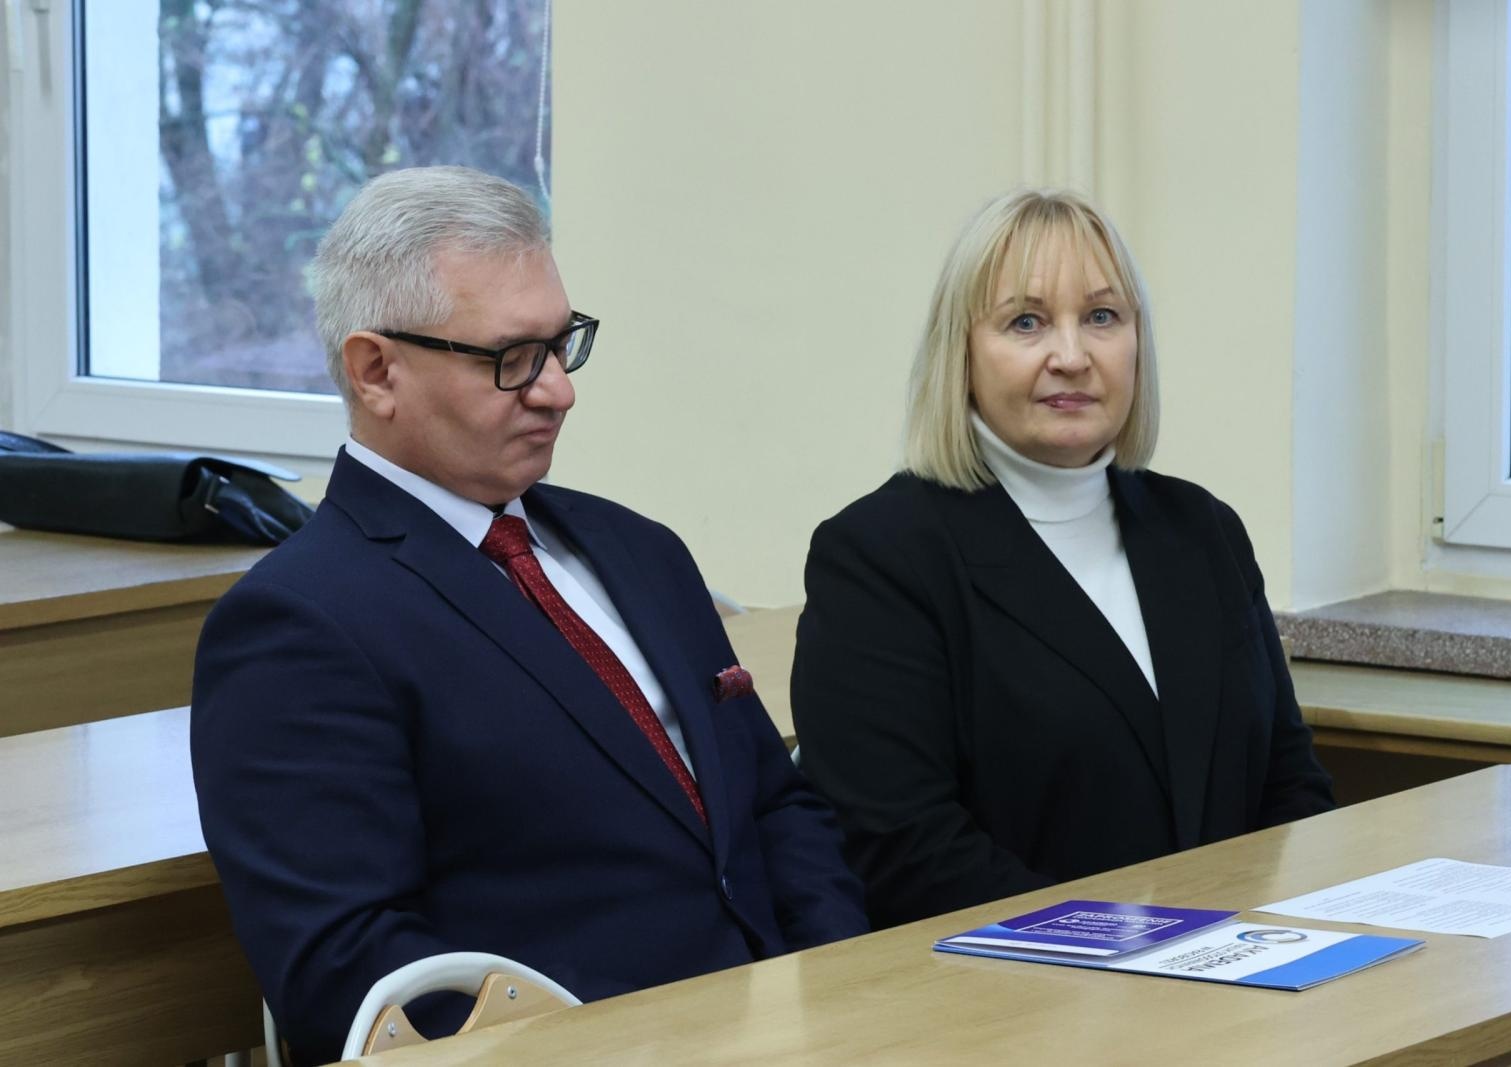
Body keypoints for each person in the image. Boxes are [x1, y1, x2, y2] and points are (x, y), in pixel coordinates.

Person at [190, 165, 866, 1065]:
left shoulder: (640, 551)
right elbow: (349, 970)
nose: (558, 391)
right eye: (512, 359)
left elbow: (776, 809)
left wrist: (841, 987)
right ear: (375, 369)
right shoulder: (298, 625)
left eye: (561, 345)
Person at [790, 188, 1334, 930]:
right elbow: (905, 853)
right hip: (1011, 1008)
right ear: (962, 352)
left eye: (1102, 317)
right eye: (1026, 321)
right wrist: (1138, 950)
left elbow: (1289, 784)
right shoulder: (881, 557)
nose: (1072, 356)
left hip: (1233, 978)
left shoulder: (1203, 531)